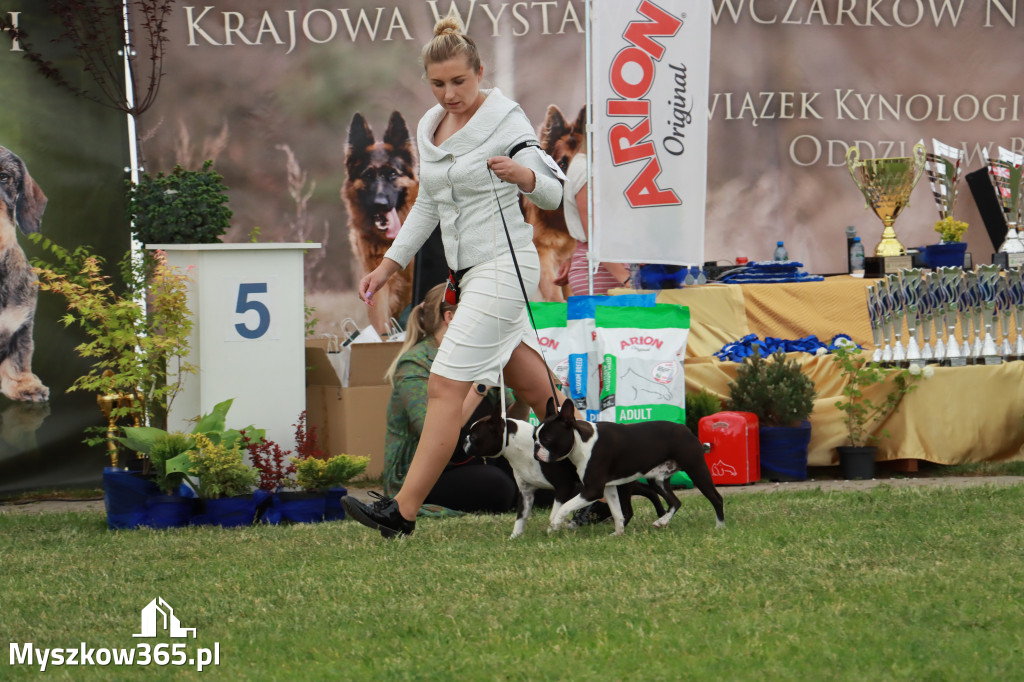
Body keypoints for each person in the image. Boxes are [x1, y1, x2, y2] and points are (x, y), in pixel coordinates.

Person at [342, 15, 569, 538]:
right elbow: (427, 210)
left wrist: (524, 175)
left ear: (480, 72)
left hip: (505, 266)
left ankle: (401, 513)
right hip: (469, 273)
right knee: (537, 388)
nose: (449, 94)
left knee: (445, 386)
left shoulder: (505, 119)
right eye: (438, 83)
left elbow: (553, 193)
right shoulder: (429, 127)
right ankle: (597, 486)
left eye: (459, 82)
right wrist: (387, 265)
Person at [382, 282, 517, 515]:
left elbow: (511, 421)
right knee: (497, 486)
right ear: (450, 317)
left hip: (478, 458)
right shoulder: (416, 363)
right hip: (427, 474)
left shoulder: (481, 354)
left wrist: (525, 392)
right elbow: (430, 430)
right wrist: (479, 386)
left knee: (547, 479)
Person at [553, 106, 631, 297]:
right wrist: (628, 281)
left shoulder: (596, 167)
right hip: (603, 274)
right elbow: (595, 236)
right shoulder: (586, 170)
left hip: (608, 271)